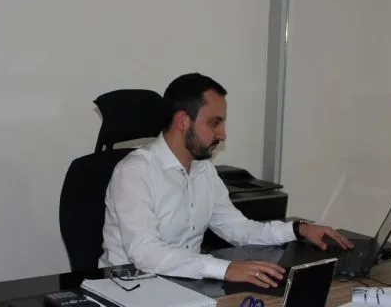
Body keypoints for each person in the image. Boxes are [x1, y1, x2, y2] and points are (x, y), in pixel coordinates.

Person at [100, 73, 351, 288]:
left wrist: (298, 229)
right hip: (131, 289)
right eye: (214, 123)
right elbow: (145, 253)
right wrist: (225, 268)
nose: (222, 134)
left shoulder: (204, 171)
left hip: (184, 287)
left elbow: (239, 229)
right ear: (182, 121)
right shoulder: (134, 172)